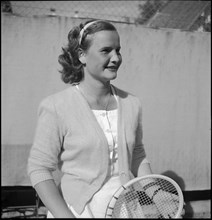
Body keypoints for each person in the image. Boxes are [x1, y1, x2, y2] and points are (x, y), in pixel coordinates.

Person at [27, 19, 179, 218]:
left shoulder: (131, 103)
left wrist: (157, 193)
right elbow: (39, 169)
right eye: (106, 50)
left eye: (118, 50)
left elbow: (137, 155)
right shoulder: (56, 106)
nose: (116, 58)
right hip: (76, 211)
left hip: (126, 210)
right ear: (82, 55)